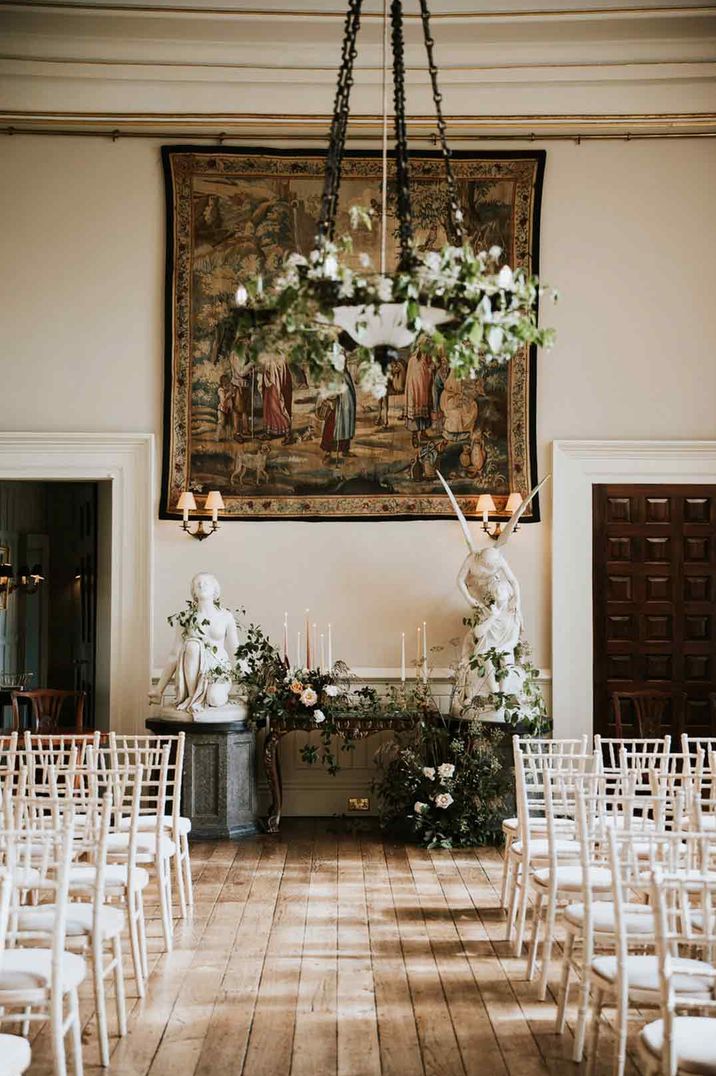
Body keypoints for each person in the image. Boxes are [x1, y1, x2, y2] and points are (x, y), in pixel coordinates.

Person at [149, 573, 239, 716]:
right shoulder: (185, 618)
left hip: (217, 670)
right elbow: (174, 654)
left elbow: (236, 651)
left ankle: (209, 693)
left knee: (214, 698)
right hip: (193, 675)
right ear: (193, 592)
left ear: (215, 590)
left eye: (206, 583)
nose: (201, 585)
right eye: (198, 583)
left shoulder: (226, 616)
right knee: (192, 645)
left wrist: (251, 685)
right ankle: (193, 696)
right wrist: (159, 690)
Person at [320, 368, 357, 460]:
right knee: (332, 424)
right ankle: (328, 451)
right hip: (336, 399)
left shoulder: (346, 373)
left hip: (346, 398)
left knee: (346, 423)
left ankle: (345, 450)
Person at [404, 347, 435, 446]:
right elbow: (425, 376)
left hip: (418, 393)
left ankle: (422, 433)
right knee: (417, 413)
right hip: (417, 393)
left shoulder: (414, 360)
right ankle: (415, 437)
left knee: (421, 412)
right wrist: (430, 370)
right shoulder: (419, 361)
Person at [261, 357, 293, 442]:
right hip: (269, 384)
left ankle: (288, 433)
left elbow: (281, 369)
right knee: (268, 408)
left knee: (277, 409)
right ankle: (268, 432)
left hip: (276, 384)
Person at [229, 350, 253, 440]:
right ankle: (236, 432)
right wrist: (251, 364)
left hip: (245, 385)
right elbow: (241, 372)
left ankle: (245, 429)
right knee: (237, 409)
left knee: (245, 409)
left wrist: (251, 371)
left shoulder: (246, 353)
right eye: (245, 341)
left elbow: (247, 372)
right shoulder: (235, 354)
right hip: (237, 385)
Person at [216, 373, 235, 441]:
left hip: (229, 408)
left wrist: (232, 392)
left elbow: (233, 396)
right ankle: (217, 437)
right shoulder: (221, 390)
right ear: (222, 382)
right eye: (225, 381)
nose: (227, 382)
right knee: (221, 422)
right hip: (222, 409)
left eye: (227, 381)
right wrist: (230, 392)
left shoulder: (229, 388)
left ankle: (229, 436)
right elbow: (224, 399)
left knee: (230, 423)